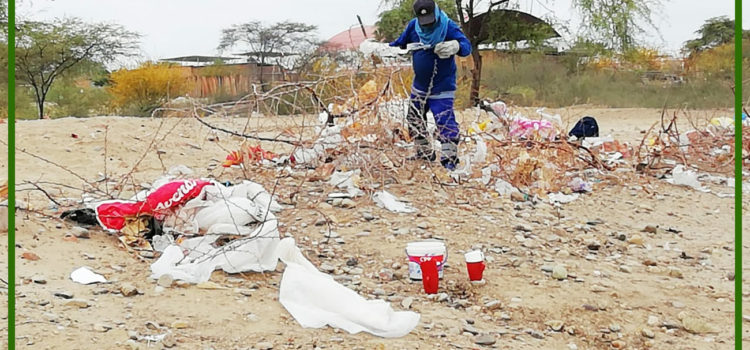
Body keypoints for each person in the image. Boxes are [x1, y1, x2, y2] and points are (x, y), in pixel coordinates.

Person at [389, 0, 472, 170]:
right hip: (420, 85)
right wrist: (383, 48)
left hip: (442, 85)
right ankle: (424, 153)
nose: (427, 24)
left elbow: (466, 46)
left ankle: (449, 160)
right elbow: (400, 43)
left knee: (444, 120)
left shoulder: (448, 26)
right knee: (414, 117)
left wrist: (455, 46)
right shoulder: (413, 27)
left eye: (430, 20)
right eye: (424, 20)